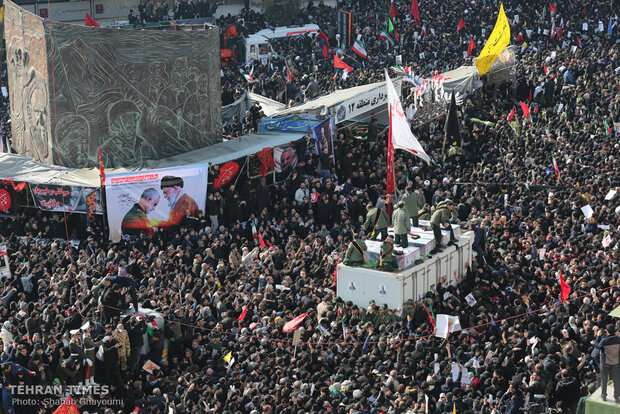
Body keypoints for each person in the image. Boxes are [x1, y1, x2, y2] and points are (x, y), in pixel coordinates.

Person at [595, 324, 620, 402]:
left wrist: (598, 336)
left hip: (605, 363)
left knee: (604, 380)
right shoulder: (618, 339)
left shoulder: (604, 340)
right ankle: (616, 397)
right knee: (616, 380)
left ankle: (603, 396)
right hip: (616, 363)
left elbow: (597, 346)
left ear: (607, 331)